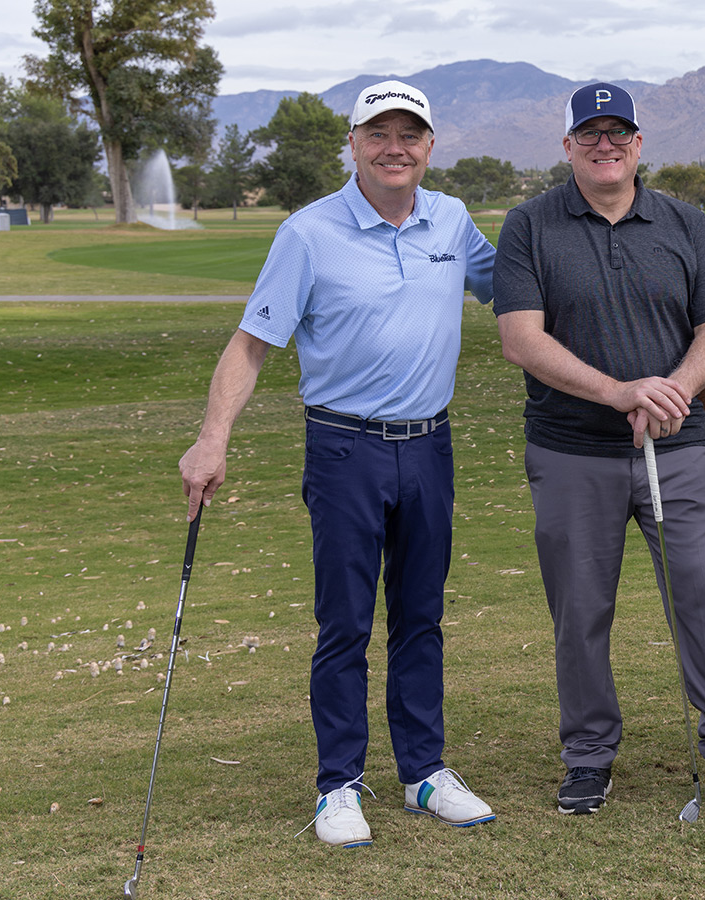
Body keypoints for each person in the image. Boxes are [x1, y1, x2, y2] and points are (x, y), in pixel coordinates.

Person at [178, 80, 498, 846]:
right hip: (344, 446)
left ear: (429, 145)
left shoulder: (452, 220)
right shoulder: (307, 232)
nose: (395, 147)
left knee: (421, 617)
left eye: (409, 134)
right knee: (346, 622)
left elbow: (518, 292)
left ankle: (423, 772)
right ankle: (339, 785)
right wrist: (212, 436)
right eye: (378, 133)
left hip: (430, 445)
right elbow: (252, 343)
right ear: (352, 144)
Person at [493, 82, 705, 818]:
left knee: (701, 594)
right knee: (580, 609)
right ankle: (588, 757)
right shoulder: (529, 224)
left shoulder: (682, 221)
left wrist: (671, 390)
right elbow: (521, 338)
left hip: (675, 445)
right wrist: (621, 392)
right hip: (570, 450)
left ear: (640, 144)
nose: (605, 145)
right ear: (568, 147)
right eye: (591, 134)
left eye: (619, 133)